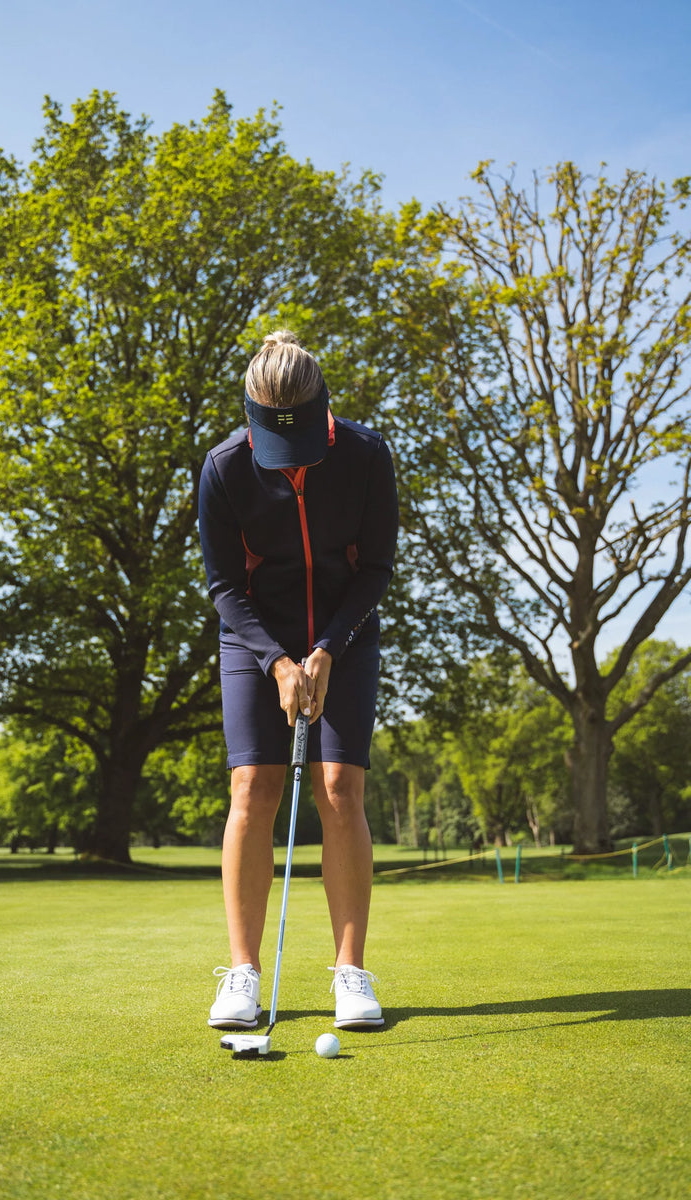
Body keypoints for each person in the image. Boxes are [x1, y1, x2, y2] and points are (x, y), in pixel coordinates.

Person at [198, 330, 398, 1031]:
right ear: (252, 418)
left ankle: (351, 975)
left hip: (344, 632)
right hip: (254, 636)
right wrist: (278, 660)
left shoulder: (368, 457)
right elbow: (224, 583)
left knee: (340, 786)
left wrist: (326, 649)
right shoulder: (223, 468)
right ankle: (242, 976)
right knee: (253, 785)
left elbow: (374, 568)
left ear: (324, 411)